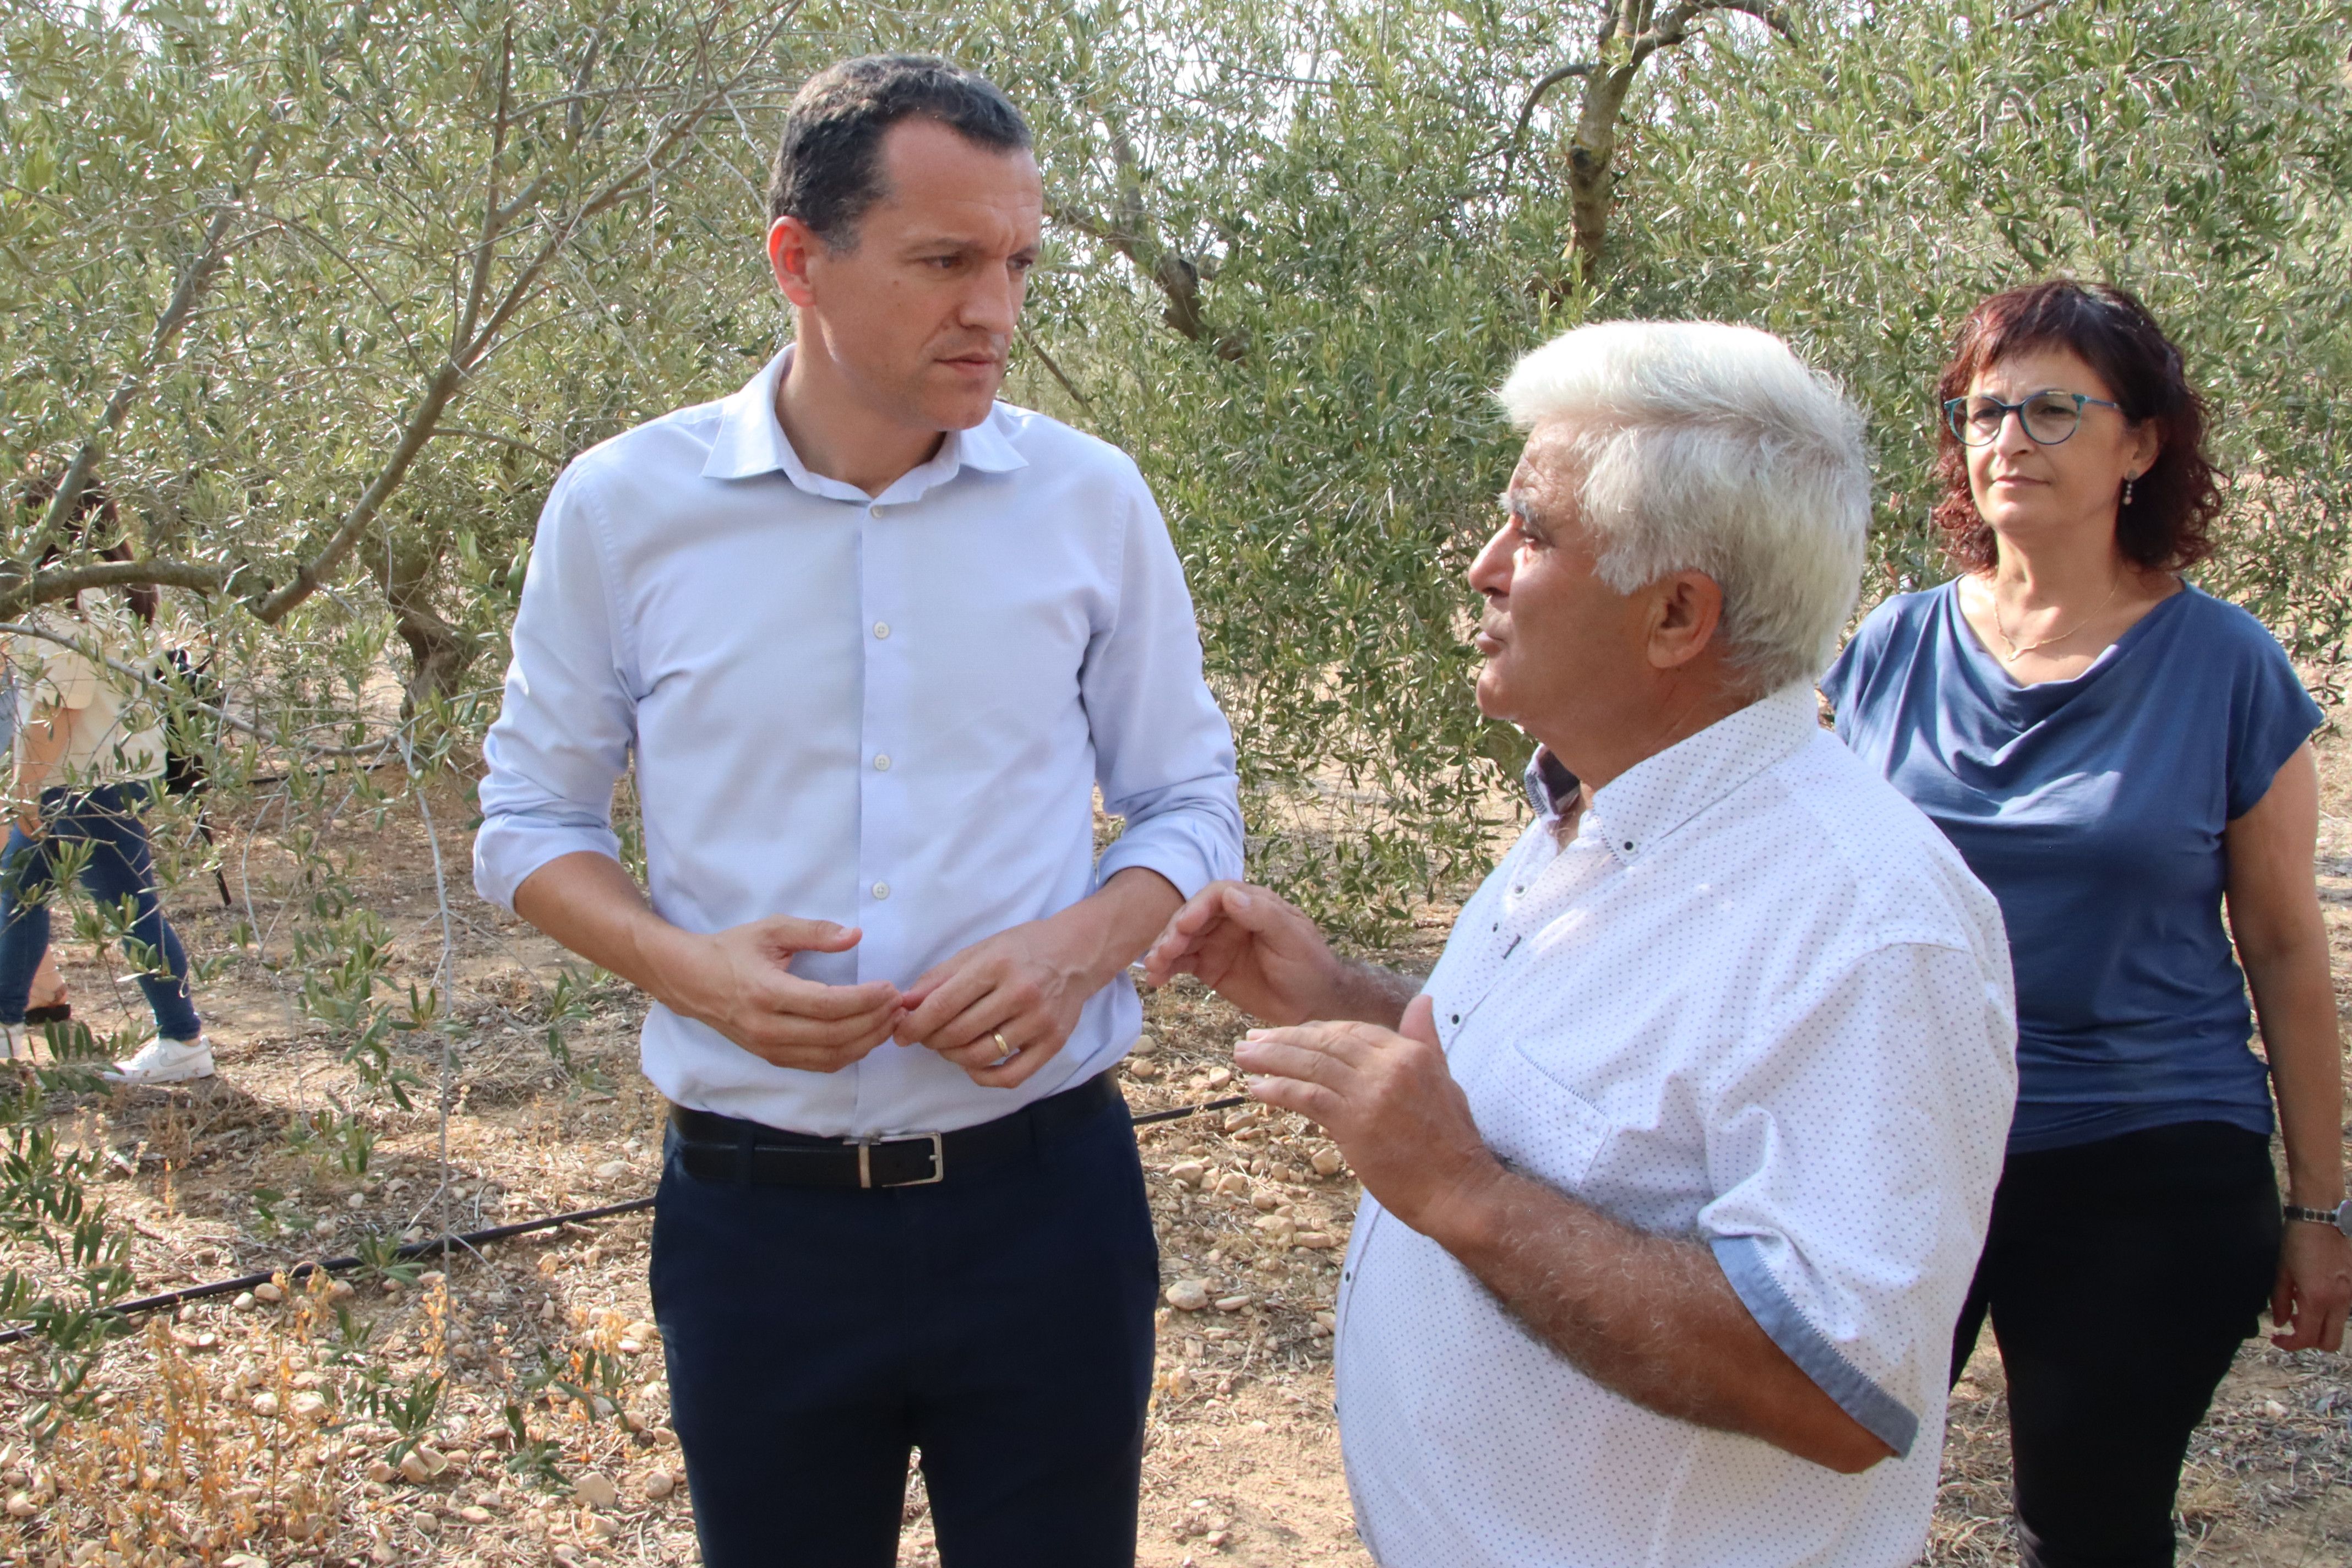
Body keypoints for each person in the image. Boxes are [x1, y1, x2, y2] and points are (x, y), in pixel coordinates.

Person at [472, 56, 1242, 1568]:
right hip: (760, 1232)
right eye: (947, 262)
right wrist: (693, 972)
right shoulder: (624, 510)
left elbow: (1187, 802)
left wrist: (1084, 946)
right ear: (797, 260)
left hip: (1050, 1211)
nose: (997, 310)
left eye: (1019, 262)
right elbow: (528, 823)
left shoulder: (1093, 503)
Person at [1145, 321, 2017, 1567]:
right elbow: (1596, 1095)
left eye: (1534, 531)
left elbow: (1835, 1384)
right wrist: (1344, 994)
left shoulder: (1870, 928)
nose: (1484, 566)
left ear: (1675, 613)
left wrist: (1468, 1196)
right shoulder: (1596, 804)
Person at [1821, 280, 2352, 1568]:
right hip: (1902, 1150)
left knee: (2091, 1527)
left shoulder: (2228, 667)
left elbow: (2285, 947)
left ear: (2141, 443)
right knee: (1816, 1498)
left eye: (2054, 408)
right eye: (1982, 409)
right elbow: (1816, 895)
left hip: (2146, 1163)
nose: (2009, 437)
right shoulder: (1888, 646)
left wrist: (2321, 1210)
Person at [1, 481, 206, 1079]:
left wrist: (23, 787)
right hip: (110, 773)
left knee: (129, 908)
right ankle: (7, 1025)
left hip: (84, 782)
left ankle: (183, 1040)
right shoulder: (121, 591)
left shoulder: (69, 603)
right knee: (19, 890)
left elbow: (58, 709)